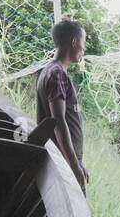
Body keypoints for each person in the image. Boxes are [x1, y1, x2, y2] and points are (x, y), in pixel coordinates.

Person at [36, 19, 88, 189]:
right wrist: (74, 165)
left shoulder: (51, 71)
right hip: (64, 161)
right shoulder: (57, 74)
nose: (84, 48)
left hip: (65, 158)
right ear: (74, 42)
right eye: (83, 41)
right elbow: (58, 122)